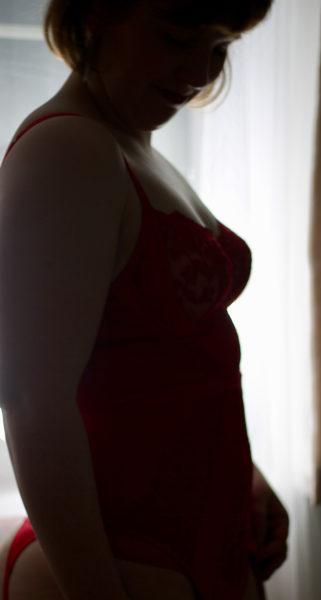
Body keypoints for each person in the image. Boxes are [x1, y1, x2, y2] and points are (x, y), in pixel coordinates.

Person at [0, 0, 289, 599]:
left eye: (219, 48)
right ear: (98, 13)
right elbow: (32, 403)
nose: (200, 72)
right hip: (126, 551)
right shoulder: (68, 149)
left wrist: (247, 477)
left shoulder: (133, 149)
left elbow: (170, 369)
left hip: (200, 540)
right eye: (176, 39)